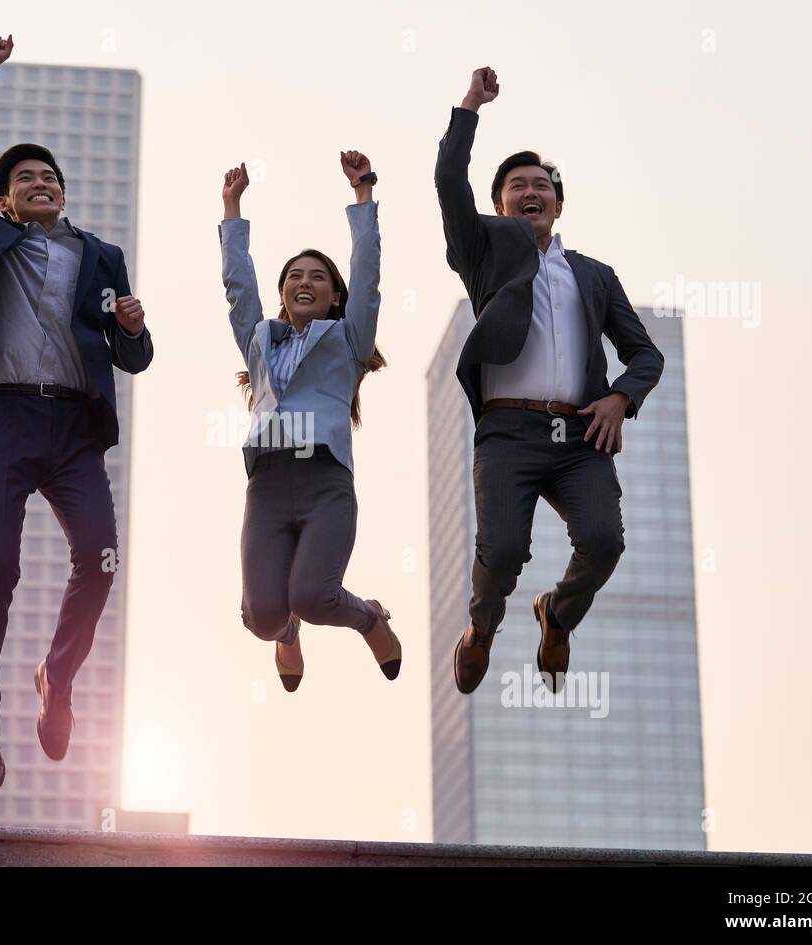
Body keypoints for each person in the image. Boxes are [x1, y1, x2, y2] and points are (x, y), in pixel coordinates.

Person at [0, 35, 154, 788]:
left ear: (63, 193)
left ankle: (56, 678)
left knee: (100, 561)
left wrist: (131, 328)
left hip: (73, 430)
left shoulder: (100, 255)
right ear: (3, 199)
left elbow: (134, 358)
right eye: (24, 177)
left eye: (49, 176)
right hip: (7, 421)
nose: (40, 182)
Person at [435, 67, 664, 696]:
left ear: (557, 205)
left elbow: (645, 355)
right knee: (504, 550)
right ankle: (481, 630)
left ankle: (555, 615)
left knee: (603, 540)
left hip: (580, 437)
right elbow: (448, 180)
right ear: (500, 205)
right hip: (508, 433)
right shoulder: (483, 253)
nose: (530, 191)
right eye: (517, 186)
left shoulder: (593, 274)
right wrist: (470, 106)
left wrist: (621, 396)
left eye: (542, 185)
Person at [218, 152, 399, 693]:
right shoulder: (259, 342)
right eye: (294, 276)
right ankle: (286, 633)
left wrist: (363, 195)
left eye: (317, 277)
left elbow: (367, 279)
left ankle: (370, 618)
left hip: (325, 484)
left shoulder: (348, 341)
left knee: (314, 596)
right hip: (268, 485)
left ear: (333, 296)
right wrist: (232, 207)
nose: (304, 281)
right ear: (281, 294)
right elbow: (236, 288)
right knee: (263, 617)